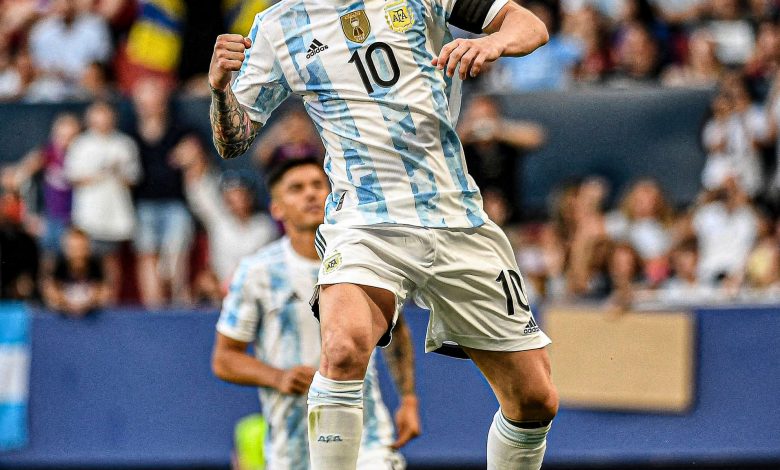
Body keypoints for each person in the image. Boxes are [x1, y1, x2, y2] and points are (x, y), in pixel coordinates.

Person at [208, 1, 557, 469]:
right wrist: (220, 89)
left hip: (455, 214)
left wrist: (492, 42)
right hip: (364, 220)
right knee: (342, 347)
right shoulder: (278, 25)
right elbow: (232, 141)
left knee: (535, 399)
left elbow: (530, 25)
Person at [212, 158, 419, 469]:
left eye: (317, 185)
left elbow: (396, 329)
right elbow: (225, 358)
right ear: (276, 208)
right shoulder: (258, 272)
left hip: (368, 442)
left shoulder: (364, 262)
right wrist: (278, 377)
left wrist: (409, 399)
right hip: (291, 448)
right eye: (296, 188)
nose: (310, 194)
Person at [173, 135, 278, 284]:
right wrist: (195, 158)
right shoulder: (219, 222)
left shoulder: (265, 226)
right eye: (231, 196)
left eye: (242, 194)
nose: (237, 201)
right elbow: (199, 189)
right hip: (223, 290)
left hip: (257, 288)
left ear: (251, 196)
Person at [65, 101, 140, 303]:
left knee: (110, 261)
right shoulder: (80, 144)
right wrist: (100, 172)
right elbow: (73, 176)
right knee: (85, 261)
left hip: (114, 215)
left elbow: (133, 179)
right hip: (88, 215)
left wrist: (117, 171)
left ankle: (109, 302)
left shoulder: (124, 144)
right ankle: (84, 300)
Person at [129, 77, 195, 307]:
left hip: (176, 203)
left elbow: (197, 159)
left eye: (155, 100)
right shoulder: (129, 134)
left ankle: (179, 307)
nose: (150, 106)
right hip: (143, 204)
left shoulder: (180, 130)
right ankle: (154, 310)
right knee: (147, 255)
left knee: (176, 256)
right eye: (145, 102)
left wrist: (193, 155)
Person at [42, 227, 108, 318]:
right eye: (73, 248)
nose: (77, 253)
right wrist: (67, 304)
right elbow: (49, 291)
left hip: (92, 317)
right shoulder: (58, 264)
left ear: (87, 248)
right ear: (66, 248)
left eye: (81, 247)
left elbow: (104, 292)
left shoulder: (96, 265)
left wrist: (87, 304)